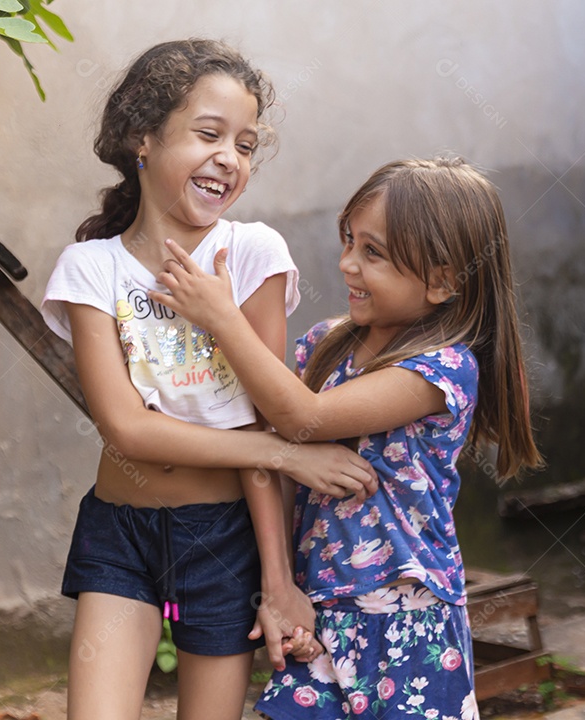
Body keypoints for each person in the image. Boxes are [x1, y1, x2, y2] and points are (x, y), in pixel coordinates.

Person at [40, 39, 377, 720]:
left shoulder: (253, 254)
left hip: (223, 537)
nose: (230, 156)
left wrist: (278, 582)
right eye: (209, 133)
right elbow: (127, 429)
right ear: (144, 137)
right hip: (122, 533)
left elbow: (263, 414)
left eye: (246, 144)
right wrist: (284, 454)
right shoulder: (90, 268)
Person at [151, 156, 545, 719]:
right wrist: (280, 586)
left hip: (407, 620)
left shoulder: (443, 368)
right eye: (349, 242)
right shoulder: (325, 343)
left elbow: (300, 419)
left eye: (373, 252)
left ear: (443, 280)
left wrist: (223, 319)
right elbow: (278, 454)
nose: (346, 265)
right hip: (320, 611)